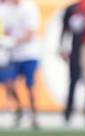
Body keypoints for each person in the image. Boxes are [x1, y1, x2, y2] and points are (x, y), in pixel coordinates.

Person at [4, 0, 40, 128]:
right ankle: (19, 109)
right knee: (8, 83)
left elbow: (30, 33)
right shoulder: (5, 8)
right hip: (11, 54)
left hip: (29, 53)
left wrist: (13, 41)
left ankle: (34, 115)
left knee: (30, 85)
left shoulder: (29, 7)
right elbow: (5, 29)